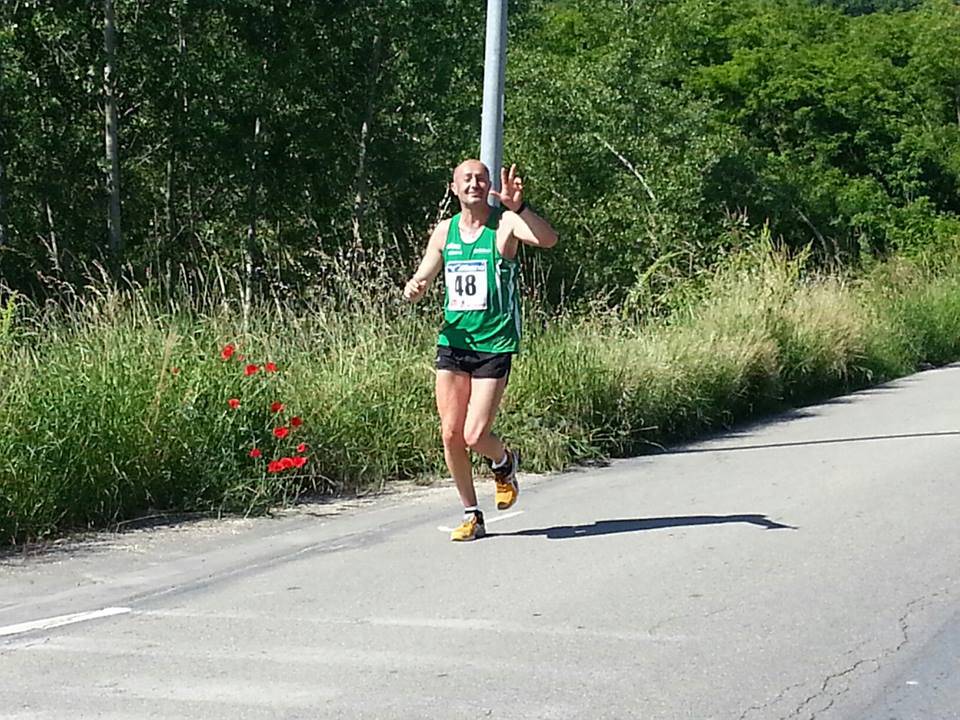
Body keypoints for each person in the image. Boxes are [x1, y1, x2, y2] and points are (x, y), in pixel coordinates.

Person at [403, 159, 558, 541]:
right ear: (454, 188)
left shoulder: (503, 224)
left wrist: (519, 207)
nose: (473, 183)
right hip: (454, 342)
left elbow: (548, 240)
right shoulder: (445, 231)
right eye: (466, 179)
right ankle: (472, 513)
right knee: (450, 433)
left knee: (475, 435)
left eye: (480, 178)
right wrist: (415, 287)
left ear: (489, 186)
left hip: (494, 342)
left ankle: (504, 461)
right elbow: (424, 274)